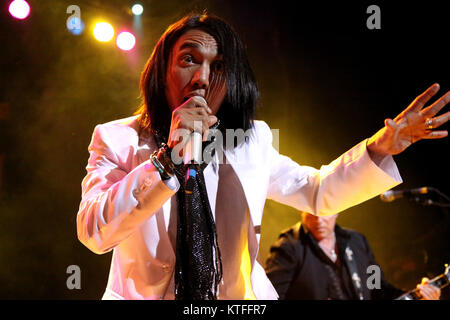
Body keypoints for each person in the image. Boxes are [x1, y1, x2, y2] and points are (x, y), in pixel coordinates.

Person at [76, 13, 450, 300]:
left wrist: (380, 145)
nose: (202, 78)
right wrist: (167, 160)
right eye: (189, 59)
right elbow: (94, 232)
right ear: (162, 70)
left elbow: (317, 191)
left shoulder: (251, 139)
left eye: (218, 66)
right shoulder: (117, 138)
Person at [265, 212, 442, 300]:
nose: (319, 219)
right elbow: (264, 298)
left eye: (326, 209)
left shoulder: (357, 241)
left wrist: (420, 295)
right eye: (312, 210)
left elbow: (377, 287)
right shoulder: (288, 248)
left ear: (338, 208)